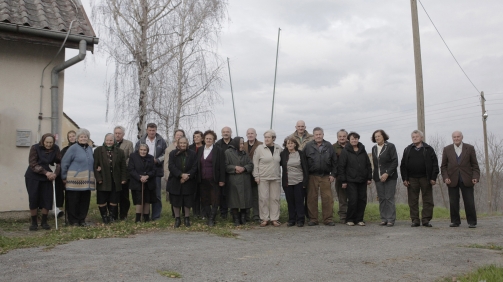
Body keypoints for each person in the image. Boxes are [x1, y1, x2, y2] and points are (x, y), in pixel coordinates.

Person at [400, 130, 439, 227]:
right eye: (413, 137)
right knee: (413, 200)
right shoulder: (408, 149)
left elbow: (435, 164)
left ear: (421, 137)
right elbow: (403, 165)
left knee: (428, 200)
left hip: (426, 178)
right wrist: (405, 178)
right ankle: (415, 220)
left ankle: (426, 220)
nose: (415, 138)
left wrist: (433, 177)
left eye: (417, 136)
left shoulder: (428, 149)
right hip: (412, 178)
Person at [441, 131, 480, 228]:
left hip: (467, 179)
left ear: (462, 137)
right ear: (452, 138)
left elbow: (475, 165)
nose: (456, 138)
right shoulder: (447, 149)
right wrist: (445, 177)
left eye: (458, 137)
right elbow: (443, 166)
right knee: (453, 202)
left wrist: (475, 177)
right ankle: (455, 221)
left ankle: (472, 222)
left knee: (469, 201)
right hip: (452, 179)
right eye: (454, 137)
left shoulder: (469, 148)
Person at [24, 133, 61, 231]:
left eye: (51, 143)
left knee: (47, 198)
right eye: (47, 142)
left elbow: (59, 162)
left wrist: (55, 174)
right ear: (43, 141)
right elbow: (32, 163)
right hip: (33, 176)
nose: (49, 144)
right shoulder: (35, 148)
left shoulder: (56, 149)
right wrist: (46, 172)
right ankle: (34, 223)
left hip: (48, 178)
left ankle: (44, 222)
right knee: (33, 198)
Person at [61, 128, 96, 227]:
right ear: (77, 138)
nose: (83, 138)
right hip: (74, 180)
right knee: (73, 201)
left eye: (85, 137)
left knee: (84, 201)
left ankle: (82, 219)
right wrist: (64, 176)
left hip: (86, 180)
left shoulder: (89, 148)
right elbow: (65, 162)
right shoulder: (73, 148)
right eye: (81, 137)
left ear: (88, 138)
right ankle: (73, 220)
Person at [304, 127, 337, 226]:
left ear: (323, 135)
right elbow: (304, 162)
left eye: (320, 134)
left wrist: (333, 174)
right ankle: (313, 219)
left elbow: (335, 162)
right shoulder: (308, 146)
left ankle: (328, 219)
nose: (318, 136)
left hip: (325, 176)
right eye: (316, 134)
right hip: (312, 176)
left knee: (327, 198)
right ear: (313, 136)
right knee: (311, 198)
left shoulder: (329, 146)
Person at [135, 123, 167, 221]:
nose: (152, 132)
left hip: (156, 170)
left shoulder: (161, 141)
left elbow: (165, 154)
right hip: (143, 171)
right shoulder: (141, 141)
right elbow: (136, 154)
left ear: (156, 130)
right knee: (145, 193)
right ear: (147, 130)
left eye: (153, 130)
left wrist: (157, 160)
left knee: (156, 194)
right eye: (150, 130)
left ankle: (156, 216)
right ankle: (144, 215)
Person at [93, 133, 128, 224]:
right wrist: (98, 178)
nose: (109, 142)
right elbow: (95, 166)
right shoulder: (98, 150)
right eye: (107, 140)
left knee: (114, 199)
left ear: (114, 141)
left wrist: (123, 178)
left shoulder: (119, 152)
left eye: (111, 140)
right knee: (102, 199)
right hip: (103, 179)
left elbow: (123, 166)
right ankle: (104, 217)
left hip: (115, 180)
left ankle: (112, 216)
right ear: (104, 141)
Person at [253, 129, 283, 227]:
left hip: (275, 177)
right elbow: (255, 163)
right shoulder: (260, 148)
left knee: (275, 198)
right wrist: (256, 176)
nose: (266, 139)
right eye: (265, 137)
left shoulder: (278, 148)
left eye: (268, 137)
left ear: (273, 138)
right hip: (263, 177)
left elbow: (283, 160)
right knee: (263, 198)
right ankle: (264, 219)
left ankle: (274, 219)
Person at [168, 137, 198, 228]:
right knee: (176, 200)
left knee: (187, 200)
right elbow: (171, 166)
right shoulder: (173, 153)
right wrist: (180, 175)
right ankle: (177, 219)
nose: (182, 145)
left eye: (184, 143)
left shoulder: (192, 154)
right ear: (177, 143)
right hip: (175, 180)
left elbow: (195, 167)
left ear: (187, 143)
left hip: (189, 180)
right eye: (181, 143)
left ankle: (187, 218)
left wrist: (186, 176)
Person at [197, 130, 226, 226]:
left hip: (214, 179)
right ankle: (209, 216)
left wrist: (222, 179)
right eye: (207, 138)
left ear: (214, 140)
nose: (208, 140)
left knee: (215, 198)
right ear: (204, 139)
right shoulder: (200, 150)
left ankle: (212, 219)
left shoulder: (218, 150)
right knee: (204, 199)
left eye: (210, 139)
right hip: (202, 179)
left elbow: (222, 166)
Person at [371, 130, 398, 227]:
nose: (377, 138)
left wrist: (387, 173)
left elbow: (395, 162)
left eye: (379, 136)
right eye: (375, 136)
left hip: (390, 177)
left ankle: (390, 219)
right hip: (378, 178)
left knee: (389, 198)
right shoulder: (374, 148)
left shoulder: (390, 146)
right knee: (382, 198)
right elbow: (375, 164)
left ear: (383, 136)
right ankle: (384, 218)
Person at [280, 137, 309, 227]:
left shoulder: (300, 153)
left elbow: (305, 168)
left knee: (299, 201)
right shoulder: (283, 154)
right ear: (286, 145)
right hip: (287, 182)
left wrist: (305, 182)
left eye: (292, 143)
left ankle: (300, 220)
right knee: (290, 202)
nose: (290, 145)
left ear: (295, 144)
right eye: (288, 143)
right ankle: (291, 219)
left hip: (299, 181)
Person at [225, 137, 254, 226]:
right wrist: (235, 168)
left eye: (243, 143)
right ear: (236, 144)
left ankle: (243, 218)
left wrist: (244, 168)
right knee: (234, 200)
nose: (242, 145)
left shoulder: (245, 153)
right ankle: (236, 219)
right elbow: (225, 165)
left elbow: (250, 164)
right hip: (233, 180)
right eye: (241, 144)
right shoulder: (227, 152)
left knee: (244, 199)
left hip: (244, 179)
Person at [128, 144, 157, 222]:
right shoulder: (133, 156)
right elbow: (131, 169)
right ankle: (138, 218)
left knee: (147, 200)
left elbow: (154, 170)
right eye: (141, 150)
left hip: (148, 182)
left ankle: (146, 217)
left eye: (145, 150)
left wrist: (147, 176)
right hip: (137, 182)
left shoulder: (151, 158)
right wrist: (139, 177)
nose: (143, 152)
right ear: (138, 150)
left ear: (147, 151)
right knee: (139, 200)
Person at [54, 130, 76, 219]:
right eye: (70, 136)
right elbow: (62, 163)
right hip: (68, 176)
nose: (72, 138)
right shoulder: (65, 150)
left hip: (79, 176)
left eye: (73, 136)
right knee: (69, 197)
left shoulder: (82, 148)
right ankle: (69, 215)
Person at [114, 126, 134, 220]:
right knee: (114, 195)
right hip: (112, 173)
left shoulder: (128, 144)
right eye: (116, 133)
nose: (117, 135)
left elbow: (131, 157)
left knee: (124, 196)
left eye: (119, 133)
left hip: (124, 173)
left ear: (123, 134)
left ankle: (123, 215)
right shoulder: (110, 142)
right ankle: (113, 215)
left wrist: (122, 164)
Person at [243, 128, 262, 223]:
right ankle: (246, 215)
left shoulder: (261, 145)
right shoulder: (243, 145)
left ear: (255, 134)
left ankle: (256, 215)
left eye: (252, 133)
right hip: (245, 173)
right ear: (246, 135)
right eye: (248, 133)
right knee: (246, 195)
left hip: (257, 173)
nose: (250, 135)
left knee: (256, 195)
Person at [164, 129, 186, 212]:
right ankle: (175, 213)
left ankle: (184, 212)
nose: (179, 136)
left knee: (183, 194)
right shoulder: (169, 149)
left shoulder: (186, 147)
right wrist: (167, 175)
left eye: (181, 135)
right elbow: (166, 163)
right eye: (177, 135)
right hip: (172, 175)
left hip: (184, 176)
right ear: (174, 136)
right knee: (174, 194)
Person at [215, 126, 232, 219]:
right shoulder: (217, 144)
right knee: (222, 194)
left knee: (232, 193)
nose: (226, 133)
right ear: (221, 133)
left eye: (227, 132)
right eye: (224, 132)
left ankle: (233, 212)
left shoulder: (234, 143)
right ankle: (223, 213)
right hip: (221, 173)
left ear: (230, 133)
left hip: (232, 172)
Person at [332, 129, 349, 224]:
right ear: (337, 137)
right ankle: (343, 217)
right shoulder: (333, 147)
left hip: (352, 177)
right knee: (342, 198)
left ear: (347, 137)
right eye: (340, 136)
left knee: (353, 198)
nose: (342, 138)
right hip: (339, 177)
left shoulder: (352, 146)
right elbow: (332, 162)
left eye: (344, 136)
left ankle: (352, 216)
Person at [188, 130, 204, 218]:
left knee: (203, 194)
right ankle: (195, 213)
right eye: (194, 137)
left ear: (202, 138)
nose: (196, 138)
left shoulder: (206, 147)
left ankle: (203, 213)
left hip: (203, 174)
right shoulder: (190, 148)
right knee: (194, 194)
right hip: (192, 175)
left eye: (198, 137)